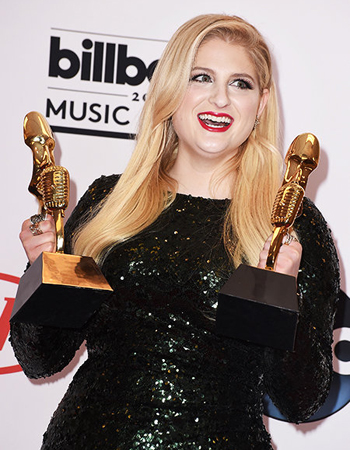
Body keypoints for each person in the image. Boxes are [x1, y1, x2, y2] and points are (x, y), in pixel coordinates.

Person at [10, 14, 339, 450]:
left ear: (261, 104)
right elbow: (41, 359)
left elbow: (300, 400)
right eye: (201, 77)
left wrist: (281, 293)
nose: (220, 99)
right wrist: (43, 268)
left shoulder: (291, 226)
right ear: (169, 90)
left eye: (239, 83)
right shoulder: (110, 202)